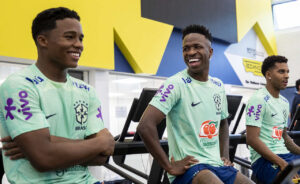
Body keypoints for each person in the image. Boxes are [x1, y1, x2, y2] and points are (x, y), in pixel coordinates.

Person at [0, 7, 115, 184]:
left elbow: (102, 157)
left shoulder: (86, 91)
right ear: (43, 40)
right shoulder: (20, 85)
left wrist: (49, 144)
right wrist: (101, 142)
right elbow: (44, 158)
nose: (79, 44)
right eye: (69, 37)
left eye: (80, 38)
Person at [137, 25, 253, 184]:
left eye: (197, 47)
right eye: (186, 49)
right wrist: (169, 167)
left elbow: (223, 123)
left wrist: (224, 156)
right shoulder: (175, 84)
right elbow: (145, 125)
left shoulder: (218, 85)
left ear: (210, 52)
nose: (191, 52)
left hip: (216, 164)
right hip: (191, 168)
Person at [246, 55, 300, 184]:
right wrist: (282, 164)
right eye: (281, 71)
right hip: (263, 160)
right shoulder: (258, 99)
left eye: (287, 72)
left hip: (285, 155)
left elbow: (284, 136)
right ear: (268, 75)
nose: (286, 75)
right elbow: (252, 139)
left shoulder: (284, 102)